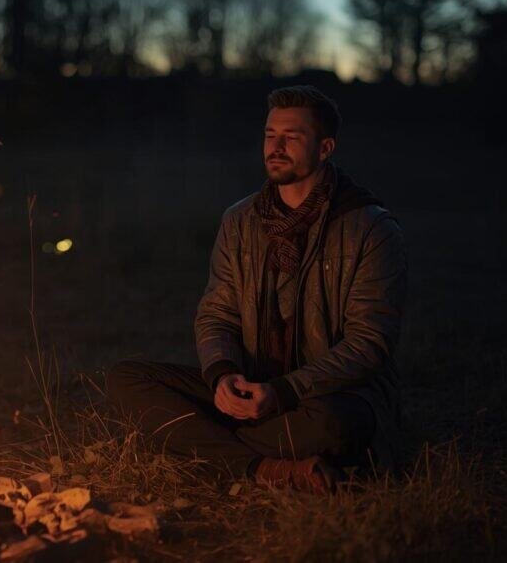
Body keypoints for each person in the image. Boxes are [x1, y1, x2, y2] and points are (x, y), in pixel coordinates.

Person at [107, 86, 406, 494]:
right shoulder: (240, 220)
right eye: (270, 135)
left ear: (325, 148)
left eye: (291, 137)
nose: (275, 148)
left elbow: (369, 343)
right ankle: (267, 467)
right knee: (126, 379)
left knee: (333, 426)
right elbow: (217, 314)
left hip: (323, 397)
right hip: (253, 383)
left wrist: (284, 391)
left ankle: (198, 443)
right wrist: (223, 376)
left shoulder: (369, 228)